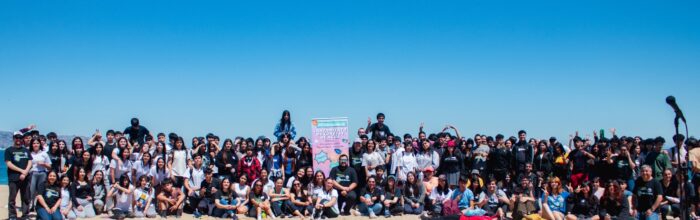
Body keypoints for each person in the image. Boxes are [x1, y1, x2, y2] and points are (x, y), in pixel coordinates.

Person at [6, 133, 33, 219]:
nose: (18, 139)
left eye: (20, 138)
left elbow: (30, 161)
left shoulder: (26, 150)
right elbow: (9, 163)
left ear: (22, 139)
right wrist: (22, 171)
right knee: (12, 198)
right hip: (13, 178)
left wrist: (25, 172)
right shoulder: (9, 150)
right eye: (16, 138)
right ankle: (12, 215)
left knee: (25, 198)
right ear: (14, 139)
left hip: (25, 178)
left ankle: (25, 215)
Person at [29, 138, 52, 211]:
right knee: (31, 190)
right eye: (34, 143)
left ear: (40, 144)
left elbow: (50, 167)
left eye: (37, 143)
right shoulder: (29, 153)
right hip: (33, 173)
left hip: (42, 173)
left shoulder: (44, 153)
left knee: (40, 191)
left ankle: (37, 206)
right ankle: (30, 205)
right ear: (31, 145)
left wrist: (44, 164)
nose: (36, 145)